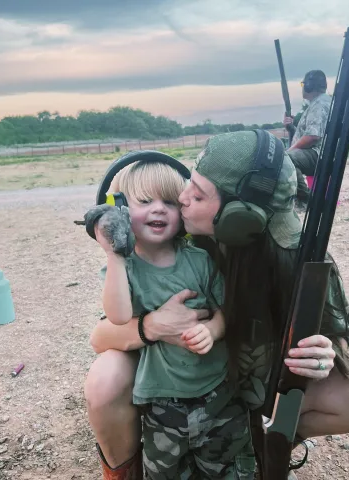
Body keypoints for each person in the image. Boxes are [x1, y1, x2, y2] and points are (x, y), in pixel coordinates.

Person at [84, 131, 349, 480]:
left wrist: (324, 353)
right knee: (105, 378)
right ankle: (125, 469)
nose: (181, 198)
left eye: (197, 194)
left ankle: (267, 443)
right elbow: (102, 336)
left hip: (244, 380)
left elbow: (344, 337)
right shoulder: (176, 240)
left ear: (238, 216)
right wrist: (153, 325)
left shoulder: (301, 258)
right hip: (167, 376)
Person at [93, 160, 254, 479]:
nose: (159, 210)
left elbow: (228, 309)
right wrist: (114, 253)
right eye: (144, 201)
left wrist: (213, 329)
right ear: (119, 210)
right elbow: (119, 315)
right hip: (162, 404)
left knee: (229, 469)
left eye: (169, 201)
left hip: (219, 396)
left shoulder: (199, 260)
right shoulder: (124, 269)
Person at [284, 70, 332, 203]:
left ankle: (306, 200)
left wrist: (289, 151)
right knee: (287, 157)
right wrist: (291, 128)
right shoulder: (320, 102)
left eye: (303, 84)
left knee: (287, 159)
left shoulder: (319, 104)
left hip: (318, 154)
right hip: (319, 152)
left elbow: (313, 136)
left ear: (309, 86)